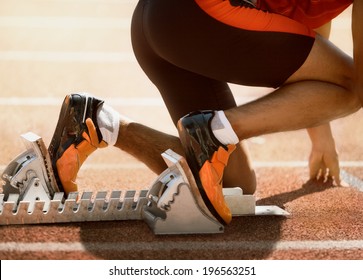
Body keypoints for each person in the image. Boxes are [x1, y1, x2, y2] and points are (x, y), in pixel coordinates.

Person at [48, 0, 361, 225]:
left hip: (157, 19)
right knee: (354, 86)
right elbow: (354, 81)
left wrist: (322, 139)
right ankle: (217, 131)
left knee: (233, 186)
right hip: (198, 16)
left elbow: (311, 28)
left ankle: (97, 123)